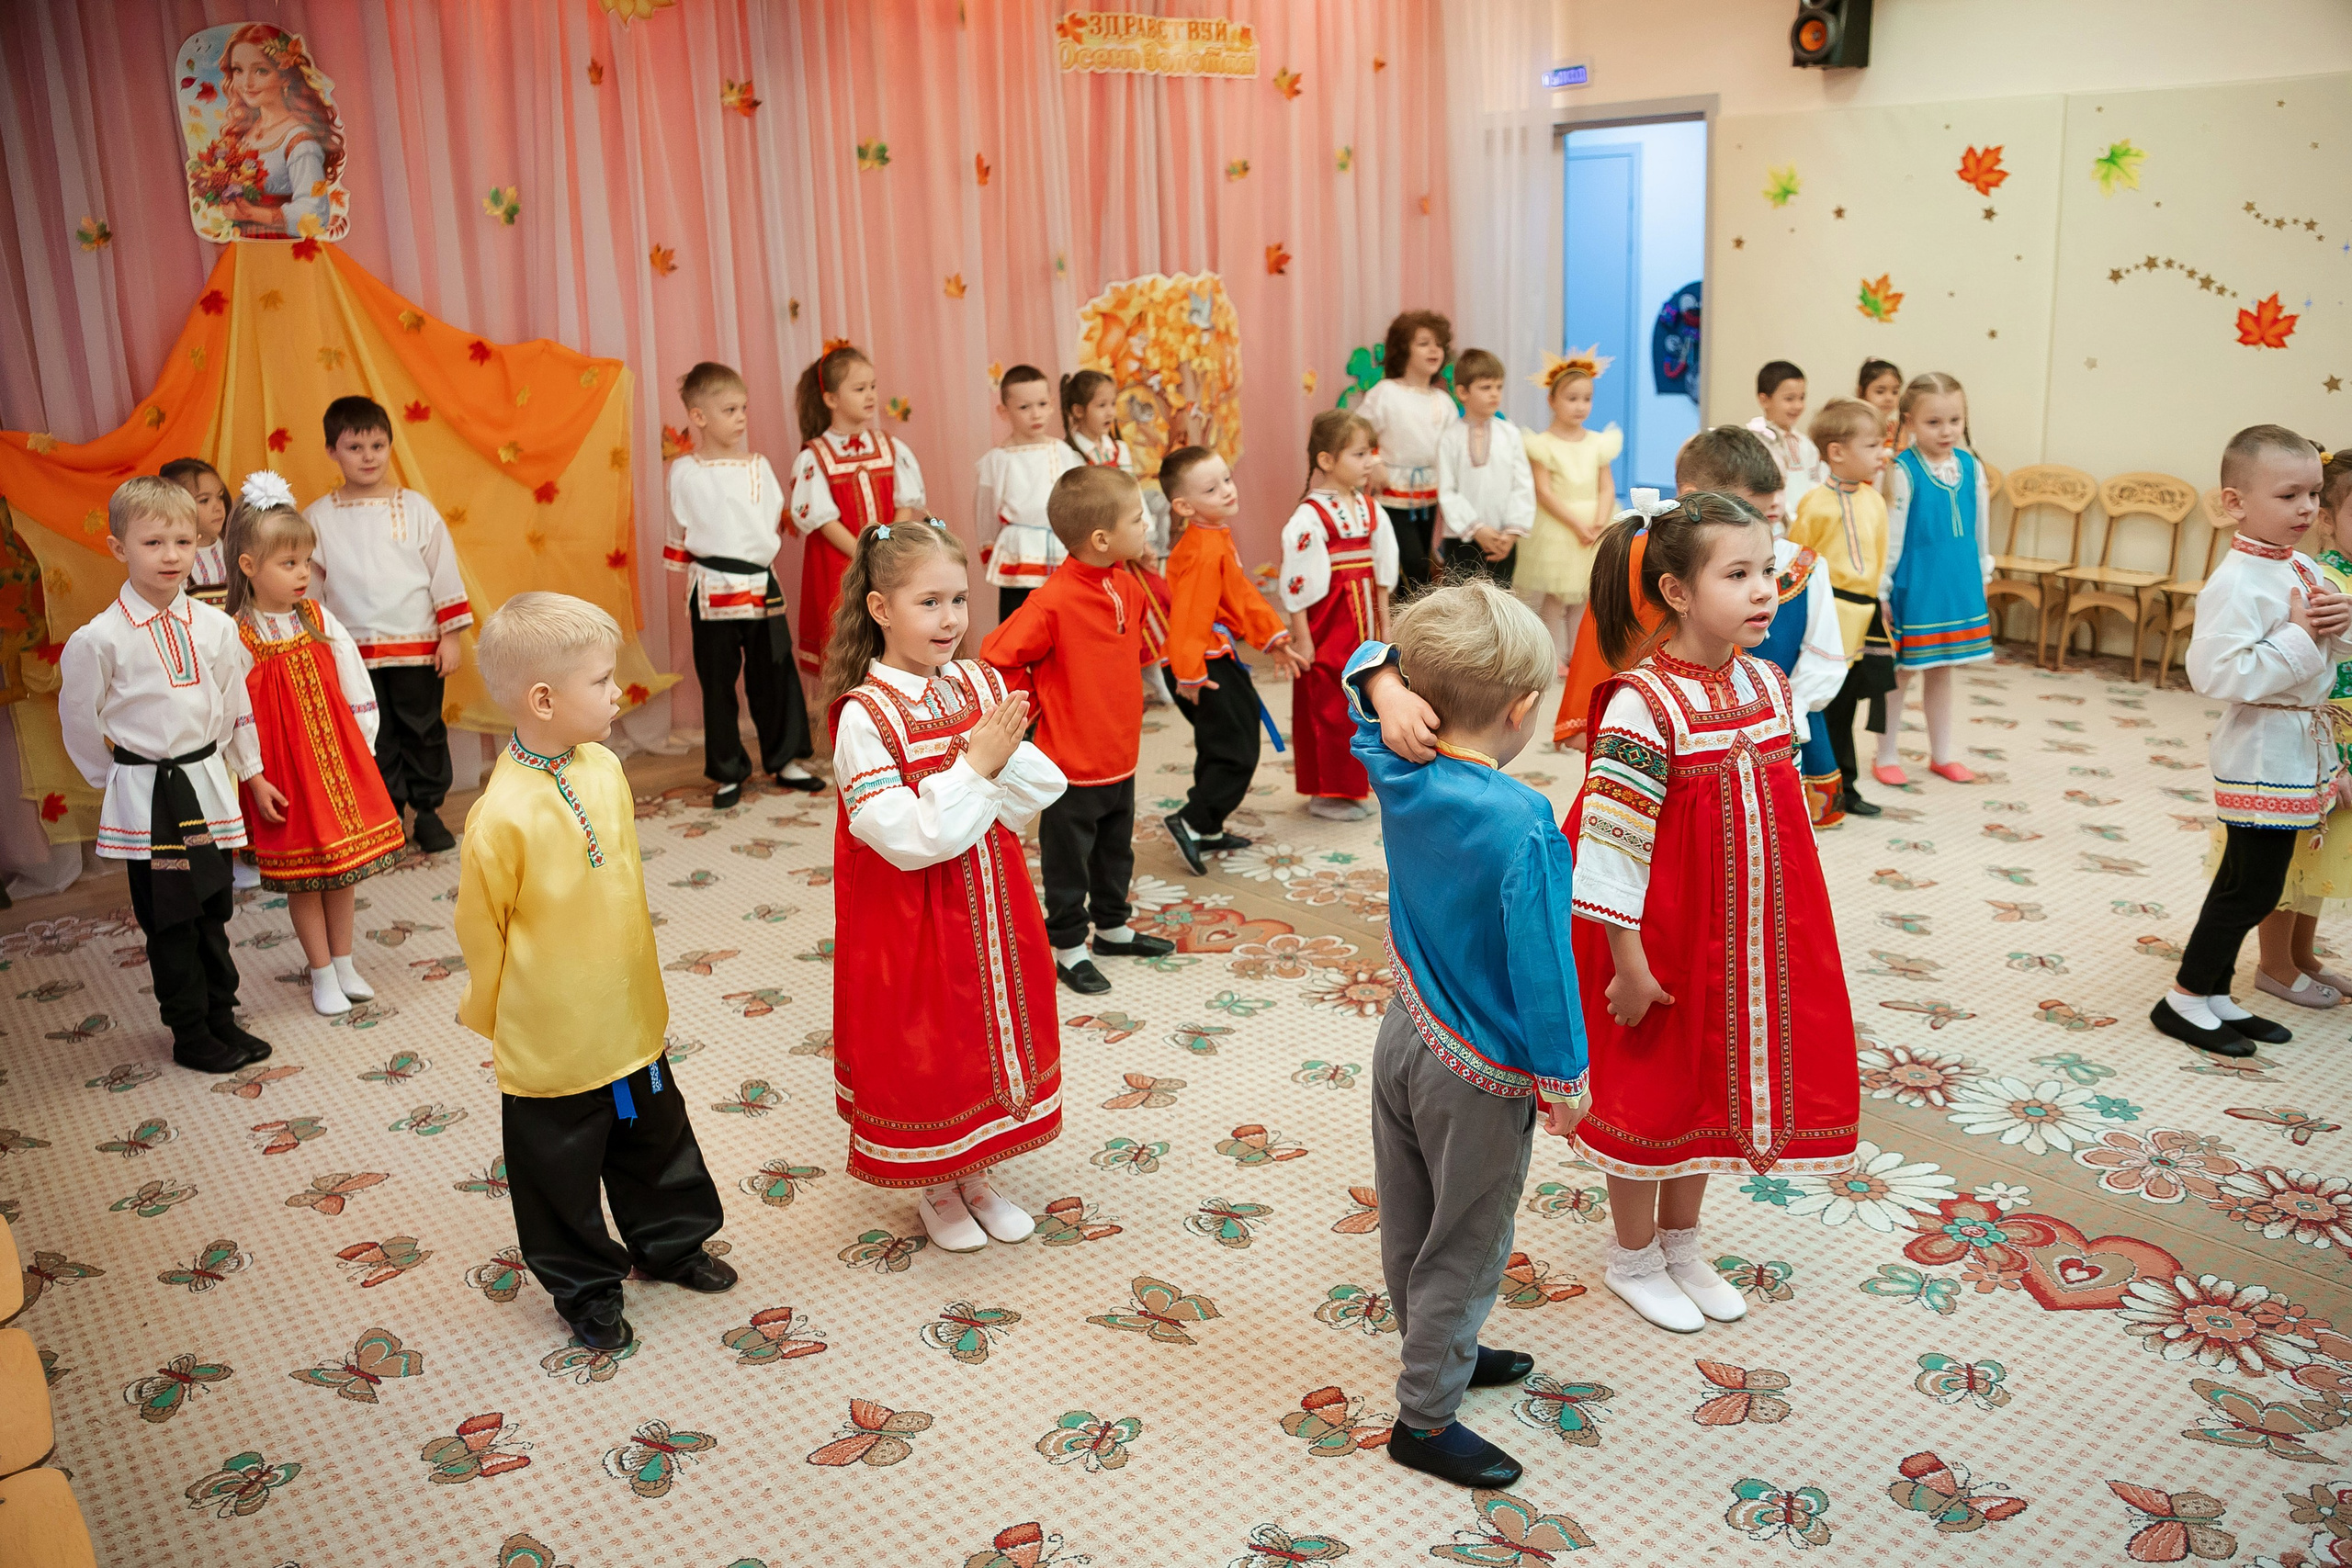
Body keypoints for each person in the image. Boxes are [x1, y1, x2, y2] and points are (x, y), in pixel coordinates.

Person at [1566, 491, 1860, 1333]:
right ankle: (1632, 1257)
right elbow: (1611, 843)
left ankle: (1682, 1245)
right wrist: (1627, 962)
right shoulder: (1641, 704)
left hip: (1743, 938)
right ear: (1677, 592)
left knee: (1707, 1093)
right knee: (1650, 1093)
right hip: (1658, 942)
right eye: (1739, 574)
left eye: (1768, 570)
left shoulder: (1770, 686)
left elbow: (1784, 818)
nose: (1766, 589)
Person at [1338, 581, 1588, 1489]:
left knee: (1409, 1209)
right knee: (1468, 1239)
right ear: (1521, 711)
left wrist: (1384, 686)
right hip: (1478, 1071)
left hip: (1405, 1030)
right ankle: (1424, 1418)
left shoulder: (1396, 758)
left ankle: (1439, 1346)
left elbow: (1356, 667)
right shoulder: (1522, 821)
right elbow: (1544, 969)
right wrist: (1563, 1077)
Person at [458, 593, 733, 1354]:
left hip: (629, 1010)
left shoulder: (605, 766)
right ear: (543, 699)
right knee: (559, 1170)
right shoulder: (501, 816)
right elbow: (482, 931)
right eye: (604, 682)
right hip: (552, 1033)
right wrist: (501, 1015)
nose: (620, 695)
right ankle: (584, 1285)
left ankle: (671, 1243)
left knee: (655, 1136)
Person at [823, 519, 1068, 1252]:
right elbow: (904, 835)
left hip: (989, 892)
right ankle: (937, 1182)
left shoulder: (976, 681)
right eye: (929, 602)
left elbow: (1032, 793)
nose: (950, 619)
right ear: (880, 610)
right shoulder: (864, 716)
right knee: (928, 1034)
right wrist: (975, 767)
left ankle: (978, 1170)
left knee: (984, 1028)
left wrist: (998, 760)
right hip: (910, 911)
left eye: (959, 599)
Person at [59, 477, 271, 1074]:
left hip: (206, 785)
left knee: (214, 906)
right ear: (118, 546)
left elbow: (232, 705)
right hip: (149, 794)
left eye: (183, 540)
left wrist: (243, 768)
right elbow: (78, 720)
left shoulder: (216, 627)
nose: (172, 554)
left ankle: (222, 1015)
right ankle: (189, 1030)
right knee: (171, 915)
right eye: (153, 542)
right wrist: (117, 780)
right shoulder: (100, 639)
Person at [2154, 426, 2352, 1058]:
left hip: (2298, 742)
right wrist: (2298, 636)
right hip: (2262, 746)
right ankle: (2183, 997)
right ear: (2235, 502)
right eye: (2289, 494)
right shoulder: (2236, 580)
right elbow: (2214, 674)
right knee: (2254, 887)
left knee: (2245, 878)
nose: (2306, 509)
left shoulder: (2301, 565)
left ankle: (2211, 991)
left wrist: (2340, 624)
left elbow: (2328, 653)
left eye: (2314, 495)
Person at [981, 467, 1179, 995]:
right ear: (1101, 539)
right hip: (1068, 763)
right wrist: (1032, 714)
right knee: (1068, 859)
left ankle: (1113, 928)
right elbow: (997, 656)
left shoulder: (1127, 585)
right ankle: (1068, 946)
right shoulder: (1052, 601)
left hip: (1121, 752)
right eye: (1138, 520)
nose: (1147, 528)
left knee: (1117, 848)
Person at [221, 473, 404, 1016]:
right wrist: (253, 776)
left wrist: (361, 752)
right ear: (249, 566)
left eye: (306, 561)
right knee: (305, 876)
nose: (302, 573)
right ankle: (320, 971)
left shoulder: (319, 619)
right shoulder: (238, 634)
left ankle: (344, 962)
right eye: (288, 563)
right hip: (286, 774)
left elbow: (355, 686)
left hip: (337, 763)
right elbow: (237, 714)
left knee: (343, 870)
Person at [303, 395, 472, 853]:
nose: (368, 456)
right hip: (351, 655)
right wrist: (317, 650)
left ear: (390, 447)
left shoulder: (416, 509)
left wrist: (450, 637)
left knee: (424, 730)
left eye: (378, 445)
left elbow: (444, 573)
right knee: (373, 737)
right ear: (331, 451)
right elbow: (308, 591)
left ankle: (430, 812)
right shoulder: (317, 518)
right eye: (355, 447)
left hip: (417, 647)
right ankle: (389, 815)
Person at [662, 360, 822, 810]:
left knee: (775, 673)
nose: (741, 418)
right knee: (717, 681)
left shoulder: (759, 466)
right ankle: (728, 769)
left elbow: (770, 516)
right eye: (730, 410)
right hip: (710, 586)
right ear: (699, 417)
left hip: (760, 583)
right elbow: (678, 531)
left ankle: (785, 759)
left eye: (743, 408)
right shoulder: (683, 472)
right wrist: (684, 587)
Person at [1677, 428, 1847, 825]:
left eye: (1768, 572)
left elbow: (1825, 656)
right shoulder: (1673, 566)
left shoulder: (1804, 564)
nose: (1760, 590)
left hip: (1784, 723)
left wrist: (1787, 714)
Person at [1158, 445, 1309, 873]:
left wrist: (1272, 638)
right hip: (1199, 665)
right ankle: (1190, 821)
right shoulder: (1203, 550)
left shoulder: (1213, 537)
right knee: (1236, 748)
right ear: (1184, 506)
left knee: (1223, 741)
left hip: (1210, 657)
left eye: (1227, 478)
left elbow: (1240, 594)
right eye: (1212, 488)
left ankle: (1207, 827)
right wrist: (1188, 672)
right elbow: (1188, 614)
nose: (1227, 490)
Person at [2251, 445, 2352, 1007]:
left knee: (2326, 851)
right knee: (2292, 850)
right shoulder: (2322, 580)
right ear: (2329, 520)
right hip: (2319, 734)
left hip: (2347, 735)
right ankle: (2274, 963)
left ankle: (2303, 956)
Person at [1873, 373, 1995, 787]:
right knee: (1900, 672)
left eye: (1955, 420)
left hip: (1957, 578)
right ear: (1909, 421)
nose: (1947, 431)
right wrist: (1883, 588)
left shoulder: (1970, 465)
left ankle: (1942, 754)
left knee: (1943, 669)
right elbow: (1891, 534)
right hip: (1917, 582)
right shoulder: (1901, 470)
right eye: (1934, 422)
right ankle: (1886, 753)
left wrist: (1981, 568)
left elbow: (1981, 524)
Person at [1280, 409, 1398, 824]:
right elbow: (1297, 582)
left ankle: (1355, 786)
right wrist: (1303, 637)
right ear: (1327, 460)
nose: (1370, 462)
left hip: (1364, 618)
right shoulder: (1311, 515)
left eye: (1371, 453)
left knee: (1365, 698)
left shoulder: (1369, 508)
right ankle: (1327, 790)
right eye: (1359, 454)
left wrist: (1386, 626)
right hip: (1329, 621)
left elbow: (1383, 573)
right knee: (1329, 702)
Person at [787, 344, 925, 678]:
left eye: (873, 387)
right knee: (848, 645)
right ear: (831, 398)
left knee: (892, 636)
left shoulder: (891, 447)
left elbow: (904, 504)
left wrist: (889, 548)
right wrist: (865, 554)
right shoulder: (815, 457)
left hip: (890, 561)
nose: (871, 396)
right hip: (840, 568)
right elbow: (824, 521)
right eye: (860, 389)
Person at [1785, 399, 1891, 820]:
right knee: (1821, 703)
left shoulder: (1875, 503)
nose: (1880, 455)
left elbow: (1880, 561)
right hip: (1828, 617)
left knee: (1850, 704)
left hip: (1864, 618)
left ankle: (1846, 785)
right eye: (1871, 446)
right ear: (1837, 452)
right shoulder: (1815, 504)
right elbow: (1798, 559)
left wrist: (1882, 603)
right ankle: (1816, 786)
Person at [1062, 368, 1176, 704]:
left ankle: (1151, 668)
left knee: (1146, 601)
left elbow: (1133, 494)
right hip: (1096, 544)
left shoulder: (1118, 450)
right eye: (1101, 405)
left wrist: (1143, 538)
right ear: (1078, 411)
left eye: (1113, 404)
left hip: (1126, 542)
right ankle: (1111, 679)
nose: (1110, 412)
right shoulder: (1071, 455)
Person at [1517, 352, 1620, 667]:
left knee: (1585, 596)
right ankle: (1552, 656)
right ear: (1552, 400)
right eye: (1572, 398)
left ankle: (1577, 656)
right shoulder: (1543, 444)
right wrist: (1577, 524)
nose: (1580, 406)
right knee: (1555, 597)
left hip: (1594, 523)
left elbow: (1606, 485)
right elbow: (1543, 491)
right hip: (1559, 524)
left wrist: (1601, 519)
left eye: (1586, 399)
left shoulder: (1598, 442)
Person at [201, 24, 345, 241]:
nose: (247, 83)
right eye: (238, 70)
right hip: (245, 249)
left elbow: (317, 213)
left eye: (261, 71)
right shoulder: (244, 133)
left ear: (285, 77)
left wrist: (253, 213)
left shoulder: (300, 141)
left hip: (282, 251)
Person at [1357, 310, 1459, 590]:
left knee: (1424, 566)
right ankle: (1404, 626)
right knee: (1409, 565)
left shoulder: (1444, 401)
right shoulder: (1385, 392)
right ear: (1404, 349)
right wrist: (1374, 459)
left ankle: (1410, 626)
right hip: (1392, 495)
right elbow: (1359, 431)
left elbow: (1452, 449)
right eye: (1424, 343)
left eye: (1438, 344)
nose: (1433, 349)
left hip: (1430, 497)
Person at [976, 365, 1082, 623]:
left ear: (1052, 404)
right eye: (1024, 407)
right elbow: (985, 512)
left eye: (1042, 404)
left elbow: (1080, 503)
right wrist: (989, 549)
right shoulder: (996, 460)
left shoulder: (1064, 453)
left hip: (1061, 549)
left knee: (1066, 621)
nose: (1035, 414)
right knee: (1020, 622)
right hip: (1019, 552)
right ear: (1004, 411)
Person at [1435, 349, 1535, 587]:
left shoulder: (1510, 433)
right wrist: (1477, 529)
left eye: (1499, 387)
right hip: (1462, 540)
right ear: (1462, 392)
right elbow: (1447, 491)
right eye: (1486, 387)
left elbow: (1522, 485)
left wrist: (1511, 533)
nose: (1495, 394)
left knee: (1499, 609)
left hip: (1503, 541)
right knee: (1461, 608)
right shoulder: (1449, 438)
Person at [1747, 360, 1824, 524]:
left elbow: (1815, 482)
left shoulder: (1805, 443)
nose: (1798, 405)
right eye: (1789, 399)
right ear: (1764, 400)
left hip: (1806, 522)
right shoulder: (1756, 442)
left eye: (1801, 398)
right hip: (1774, 523)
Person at [160, 458, 232, 610]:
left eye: (219, 496)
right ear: (176, 507)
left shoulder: (232, 548)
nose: (218, 507)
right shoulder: (175, 558)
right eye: (204, 500)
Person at [1858, 357, 1907, 494]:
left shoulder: (1899, 429)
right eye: (1880, 391)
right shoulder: (1856, 429)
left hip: (1894, 493)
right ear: (1861, 392)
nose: (1889, 398)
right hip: (1864, 494)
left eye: (1895, 392)